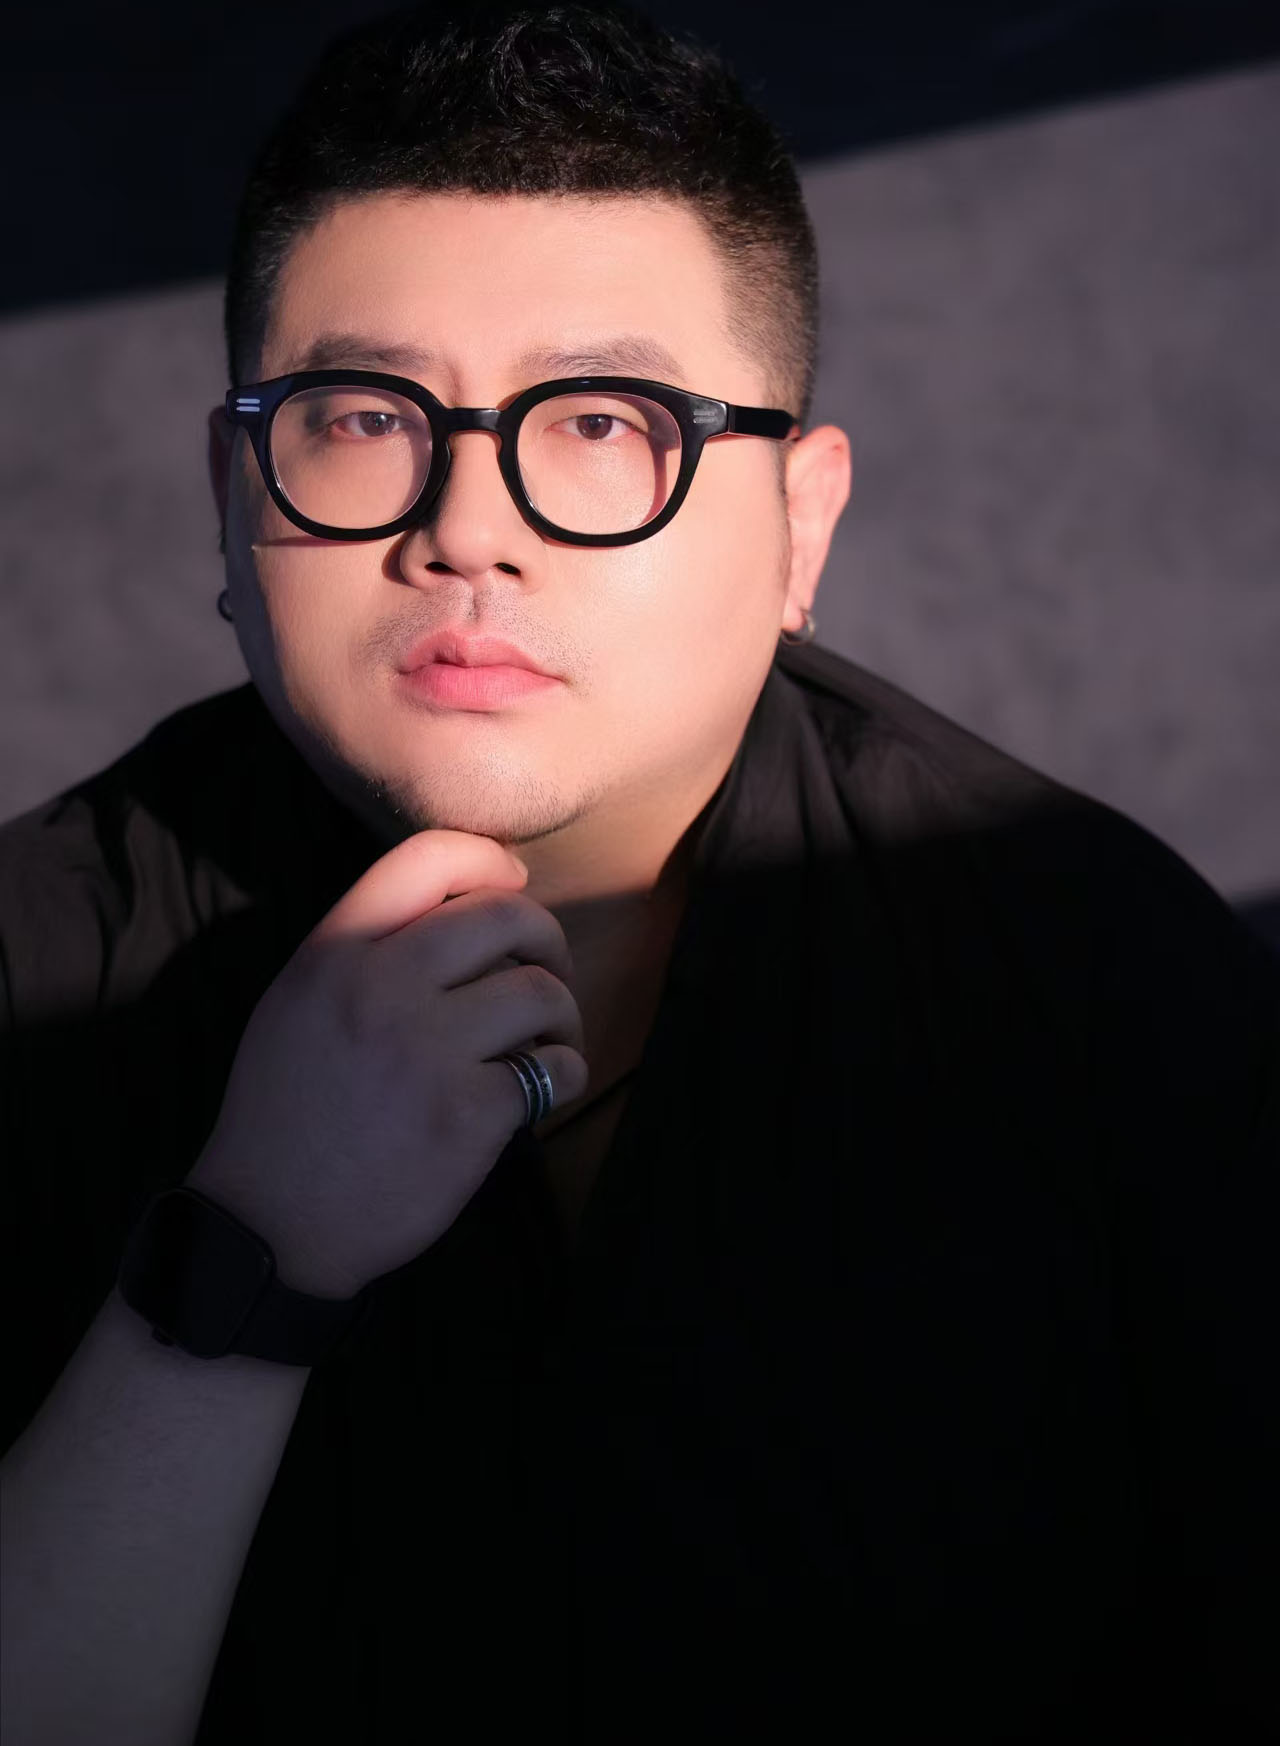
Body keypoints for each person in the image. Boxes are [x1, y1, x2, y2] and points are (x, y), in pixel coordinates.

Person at [2, 2, 1277, 1742]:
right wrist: (245, 1256)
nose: (467, 527)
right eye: (364, 415)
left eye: (604, 423)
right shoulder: (37, 973)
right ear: (236, 492)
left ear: (800, 525)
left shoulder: (1103, 979)